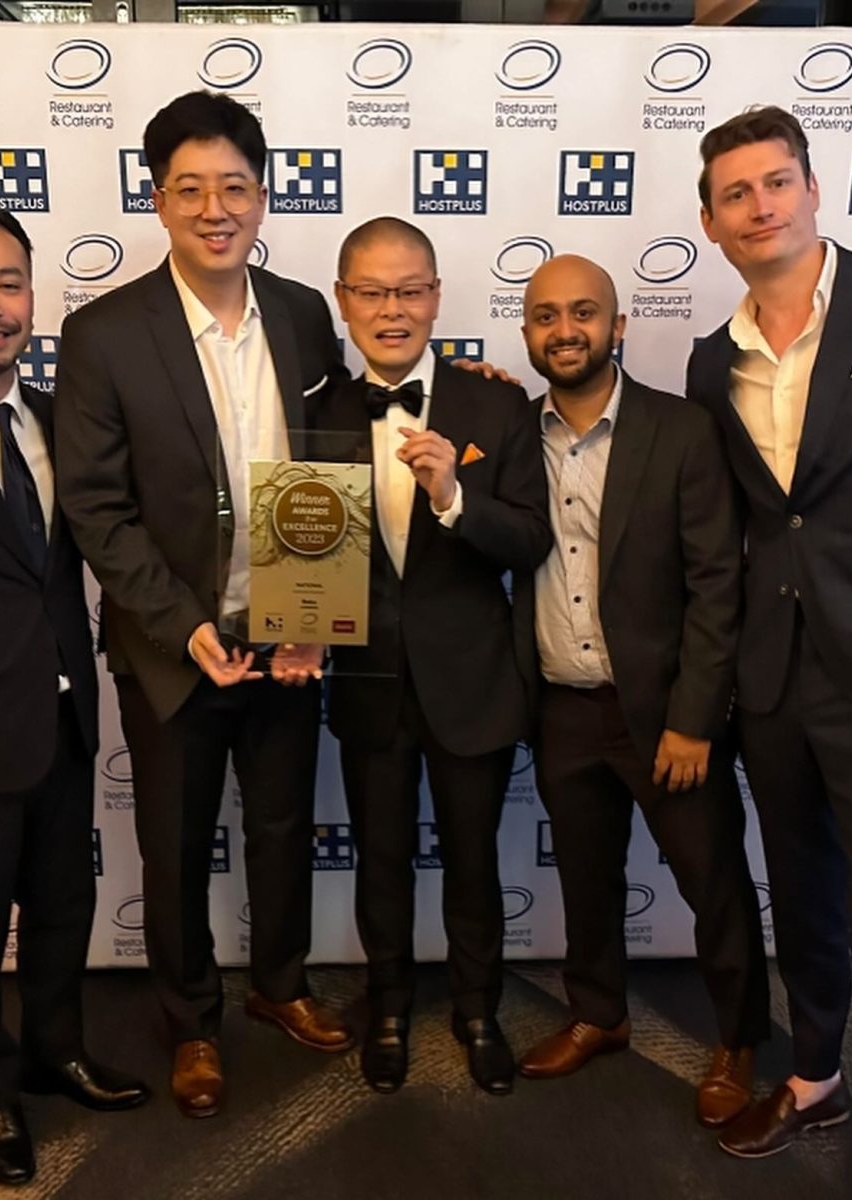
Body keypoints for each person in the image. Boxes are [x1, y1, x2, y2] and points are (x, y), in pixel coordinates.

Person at [53, 91, 353, 1120]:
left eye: (235, 185)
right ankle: (190, 1025)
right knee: (176, 847)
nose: (216, 207)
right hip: (170, 642)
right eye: (191, 188)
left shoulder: (308, 314)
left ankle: (280, 986)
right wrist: (179, 621)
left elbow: (333, 460)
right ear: (158, 198)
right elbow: (96, 504)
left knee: (279, 825)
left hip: (289, 635)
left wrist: (314, 607)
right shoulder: (102, 332)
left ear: (263, 194)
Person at [0, 200, 148, 1187]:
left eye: (8, 282)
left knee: (61, 903)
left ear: (33, 295)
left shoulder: (56, 419)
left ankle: (56, 1049)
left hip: (62, 717)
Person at [516, 254, 769, 1130]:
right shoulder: (511, 435)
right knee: (586, 878)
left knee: (714, 883)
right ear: (525, 336)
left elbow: (716, 587)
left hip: (665, 715)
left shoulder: (681, 431)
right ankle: (599, 1014)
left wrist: (694, 722)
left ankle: (739, 1036)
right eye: (545, 316)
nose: (564, 330)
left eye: (583, 313)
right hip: (560, 707)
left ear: (617, 326)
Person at [319, 216, 551, 1096]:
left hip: (471, 681)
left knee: (473, 859)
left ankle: (479, 1010)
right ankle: (385, 1009)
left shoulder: (494, 403)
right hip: (368, 681)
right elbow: (297, 555)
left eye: (410, 289)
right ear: (343, 301)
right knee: (379, 858)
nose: (392, 309)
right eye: (371, 292)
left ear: (437, 296)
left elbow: (529, 540)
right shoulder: (316, 415)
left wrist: (456, 499)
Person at [687, 106, 852, 1158]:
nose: (760, 206)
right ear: (710, 224)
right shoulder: (716, 362)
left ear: (814, 188)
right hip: (777, 676)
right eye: (736, 194)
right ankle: (817, 1077)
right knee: (800, 889)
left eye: (776, 182)